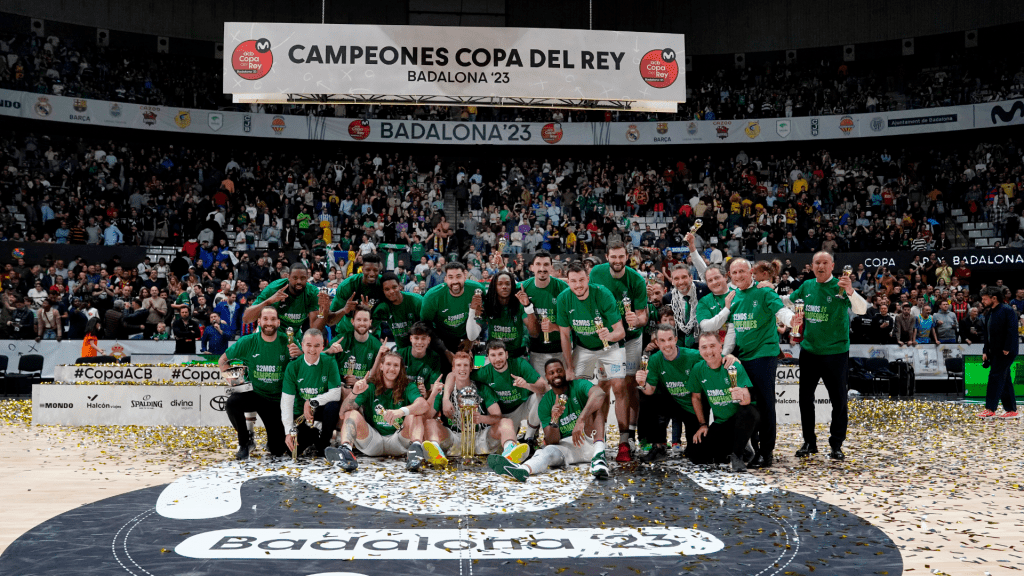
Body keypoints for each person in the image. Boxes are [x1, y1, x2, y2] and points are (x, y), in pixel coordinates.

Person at [785, 252, 866, 461]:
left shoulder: (841, 286)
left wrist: (850, 291)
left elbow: (862, 309)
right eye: (817, 263)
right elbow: (787, 303)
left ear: (832, 266)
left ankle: (836, 444)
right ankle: (809, 442)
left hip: (836, 353)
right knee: (805, 399)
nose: (820, 266)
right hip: (809, 352)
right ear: (812, 266)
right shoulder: (807, 286)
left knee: (838, 401)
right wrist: (768, 292)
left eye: (824, 263)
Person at [722, 258, 796, 469]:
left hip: (764, 355)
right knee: (750, 405)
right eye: (734, 273)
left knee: (765, 404)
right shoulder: (733, 298)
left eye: (741, 271)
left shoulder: (764, 293)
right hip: (743, 358)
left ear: (751, 272)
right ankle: (754, 449)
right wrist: (724, 354)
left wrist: (792, 321)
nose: (738, 276)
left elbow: (781, 312)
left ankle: (767, 452)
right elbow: (733, 330)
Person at [486, 358, 610, 481]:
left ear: (565, 372)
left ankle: (599, 457)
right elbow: (552, 441)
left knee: (596, 406)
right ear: (547, 377)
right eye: (552, 373)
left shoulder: (578, 385)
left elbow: (600, 394)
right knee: (547, 451)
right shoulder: (545, 403)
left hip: (590, 440)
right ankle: (522, 470)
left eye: (559, 371)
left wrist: (580, 419)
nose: (556, 374)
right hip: (569, 448)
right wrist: (554, 419)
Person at [555, 261, 629, 461]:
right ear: (567, 282)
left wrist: (610, 335)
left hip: (610, 347)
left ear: (588, 279)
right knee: (580, 390)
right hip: (584, 348)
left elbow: (620, 331)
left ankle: (624, 442)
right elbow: (564, 336)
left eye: (581, 280)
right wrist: (569, 367)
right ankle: (591, 441)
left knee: (619, 385)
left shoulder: (602, 294)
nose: (578, 285)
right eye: (573, 281)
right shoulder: (564, 299)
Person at [636, 324, 732, 461]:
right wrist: (642, 384)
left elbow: (715, 358)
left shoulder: (692, 356)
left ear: (675, 339)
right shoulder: (655, 360)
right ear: (656, 343)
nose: (667, 344)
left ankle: (730, 446)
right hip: (674, 402)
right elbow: (649, 390)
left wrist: (730, 358)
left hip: (694, 407)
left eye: (670, 339)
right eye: (662, 341)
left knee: (697, 454)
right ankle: (658, 446)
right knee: (645, 397)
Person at [589, 242, 649, 458]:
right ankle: (600, 440)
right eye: (613, 257)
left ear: (627, 257)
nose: (617, 261)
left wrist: (637, 319)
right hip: (607, 340)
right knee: (604, 386)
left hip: (631, 338)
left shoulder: (636, 279)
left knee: (629, 385)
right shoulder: (596, 273)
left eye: (621, 257)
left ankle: (628, 437)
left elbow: (644, 316)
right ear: (607, 256)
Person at [421, 351, 530, 467]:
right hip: (453, 438)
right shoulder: (444, 392)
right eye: (458, 365)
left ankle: (510, 452)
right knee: (430, 422)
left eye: (466, 365)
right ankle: (436, 453)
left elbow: (497, 416)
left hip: (480, 438)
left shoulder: (482, 388)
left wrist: (482, 418)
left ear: (471, 368)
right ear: (453, 368)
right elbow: (427, 416)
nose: (462, 369)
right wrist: (433, 395)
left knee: (506, 422)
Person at [218, 307, 300, 459]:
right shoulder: (248, 342)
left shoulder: (288, 341)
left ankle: (273, 440)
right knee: (232, 403)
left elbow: (304, 366)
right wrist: (234, 380)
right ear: (259, 321)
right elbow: (222, 360)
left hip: (279, 400)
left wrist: (300, 354)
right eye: (266, 319)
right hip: (257, 395)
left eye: (273, 319)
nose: (269, 323)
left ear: (278, 322)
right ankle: (245, 442)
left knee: (277, 450)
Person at [328, 351, 430, 472]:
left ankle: (415, 451)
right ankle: (346, 451)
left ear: (401, 368)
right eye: (388, 364)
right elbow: (342, 413)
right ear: (381, 366)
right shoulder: (370, 385)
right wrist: (354, 392)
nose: (392, 369)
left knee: (416, 413)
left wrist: (401, 412)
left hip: (399, 439)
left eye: (396, 365)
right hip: (373, 440)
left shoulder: (408, 386)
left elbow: (424, 405)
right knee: (351, 413)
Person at [686, 332, 760, 472]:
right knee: (696, 455)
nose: (709, 351)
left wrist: (741, 396)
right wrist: (702, 424)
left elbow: (748, 400)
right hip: (721, 423)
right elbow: (695, 397)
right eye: (704, 347)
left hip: (740, 419)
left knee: (748, 412)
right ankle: (738, 449)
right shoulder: (698, 369)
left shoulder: (733, 366)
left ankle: (738, 455)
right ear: (699, 350)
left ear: (721, 347)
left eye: (712, 346)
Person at [454, 340, 547, 450]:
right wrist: (446, 398)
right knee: (504, 436)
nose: (497, 359)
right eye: (493, 355)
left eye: (500, 354)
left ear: (506, 354)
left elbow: (544, 387)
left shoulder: (520, 364)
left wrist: (527, 385)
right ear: (488, 357)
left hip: (522, 406)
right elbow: (455, 375)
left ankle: (529, 437)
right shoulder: (483, 373)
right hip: (501, 415)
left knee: (542, 396)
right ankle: (509, 444)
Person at [279, 328, 344, 458]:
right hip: (301, 416)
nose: (312, 350)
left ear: (323, 346)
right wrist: (289, 431)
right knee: (291, 451)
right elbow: (287, 401)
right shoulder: (293, 366)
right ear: (302, 345)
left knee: (333, 406)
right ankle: (314, 434)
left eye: (316, 346)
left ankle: (324, 444)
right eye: (308, 345)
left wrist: (311, 402)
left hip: (320, 411)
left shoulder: (330, 362)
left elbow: (336, 394)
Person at [420, 261, 487, 359]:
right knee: (447, 370)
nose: (455, 281)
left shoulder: (477, 289)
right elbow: (426, 326)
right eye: (450, 277)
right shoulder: (432, 296)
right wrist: (444, 350)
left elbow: (482, 315)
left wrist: (471, 340)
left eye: (458, 276)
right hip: (443, 338)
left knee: (479, 367)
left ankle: (479, 370)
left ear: (465, 276)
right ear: (445, 279)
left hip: (471, 333)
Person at [468, 271, 537, 359]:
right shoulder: (487, 304)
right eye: (500, 284)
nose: (504, 287)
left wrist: (528, 306)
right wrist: (472, 310)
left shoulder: (520, 304)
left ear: (512, 286)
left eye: (508, 284)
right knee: (479, 366)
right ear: (494, 287)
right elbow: (471, 336)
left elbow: (535, 333)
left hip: (517, 354)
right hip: (493, 355)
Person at [521, 252, 569, 375]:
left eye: (546, 264)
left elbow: (573, 323)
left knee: (562, 389)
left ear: (551, 267)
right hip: (535, 350)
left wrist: (555, 327)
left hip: (561, 349)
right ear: (532, 267)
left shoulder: (563, 288)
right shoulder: (523, 287)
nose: (542, 269)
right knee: (541, 390)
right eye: (538, 264)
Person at [245, 263, 326, 334]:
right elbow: (246, 318)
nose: (299, 282)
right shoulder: (273, 288)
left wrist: (325, 309)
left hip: (293, 333)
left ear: (307, 278)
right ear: (288, 277)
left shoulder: (312, 292)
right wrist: (269, 301)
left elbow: (314, 329)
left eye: (302, 278)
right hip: (271, 332)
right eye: (295, 278)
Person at [977, 286, 1019, 419]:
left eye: (985, 299)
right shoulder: (989, 312)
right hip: (994, 351)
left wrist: (1007, 347)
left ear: (994, 298)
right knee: (1004, 379)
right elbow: (987, 334)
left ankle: (990, 408)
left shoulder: (1007, 310)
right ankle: (1011, 410)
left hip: (1006, 351)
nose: (983, 302)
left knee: (995, 377)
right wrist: (985, 351)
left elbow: (1012, 330)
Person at [324, 306, 382, 400]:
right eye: (359, 320)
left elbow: (378, 378)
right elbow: (319, 358)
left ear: (370, 322)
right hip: (339, 389)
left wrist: (359, 382)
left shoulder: (377, 346)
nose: (362, 323)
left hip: (363, 392)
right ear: (352, 321)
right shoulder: (342, 339)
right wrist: (329, 351)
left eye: (365, 320)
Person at [327, 253, 385, 333]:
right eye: (368, 270)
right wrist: (345, 309)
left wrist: (367, 312)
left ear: (379, 270)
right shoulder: (347, 286)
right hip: (346, 332)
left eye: (375, 270)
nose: (371, 274)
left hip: (372, 332)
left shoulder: (384, 284)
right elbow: (329, 321)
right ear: (362, 269)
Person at [378, 271, 423, 348]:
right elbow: (371, 325)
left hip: (420, 348)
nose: (391, 291)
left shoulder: (417, 301)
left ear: (399, 286)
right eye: (387, 289)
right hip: (401, 350)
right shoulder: (383, 306)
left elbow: (430, 327)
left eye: (394, 287)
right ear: (383, 291)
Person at [696, 266, 736, 343]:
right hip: (718, 346)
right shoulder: (704, 301)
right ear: (707, 284)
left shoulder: (738, 294)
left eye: (717, 278)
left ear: (725, 277)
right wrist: (726, 309)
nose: (714, 282)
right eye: (710, 280)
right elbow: (707, 327)